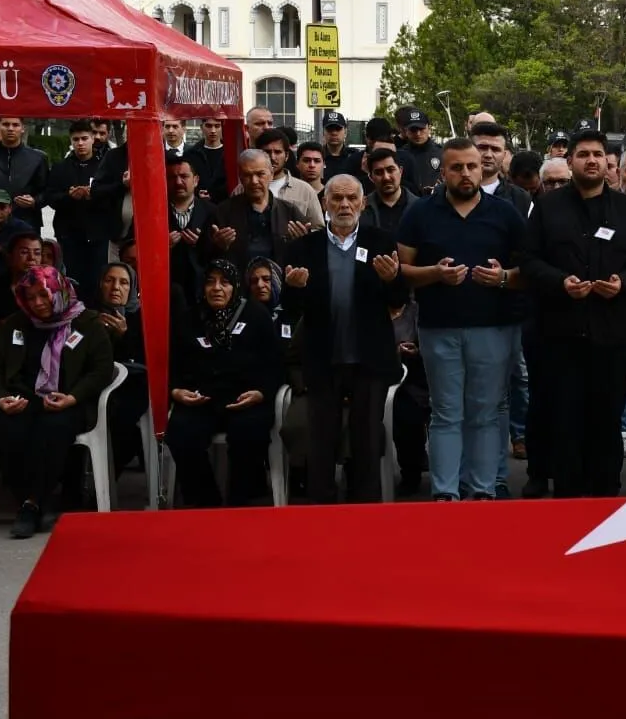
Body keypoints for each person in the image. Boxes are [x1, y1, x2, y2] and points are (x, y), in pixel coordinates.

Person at [523, 129, 626, 498]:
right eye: (583, 154)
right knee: (564, 420)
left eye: (598, 154)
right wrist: (559, 282)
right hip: (560, 333)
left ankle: (605, 495)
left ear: (608, 164)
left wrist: (623, 283)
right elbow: (529, 262)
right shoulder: (548, 207)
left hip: (612, 334)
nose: (592, 160)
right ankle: (566, 495)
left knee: (605, 421)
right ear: (571, 162)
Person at [397, 139, 527, 501]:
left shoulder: (504, 213)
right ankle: (445, 493)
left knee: (485, 413)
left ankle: (483, 490)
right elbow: (401, 269)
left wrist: (504, 277)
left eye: (472, 166)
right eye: (457, 167)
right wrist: (434, 274)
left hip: (494, 327)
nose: (466, 173)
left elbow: (530, 269)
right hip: (439, 327)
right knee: (446, 412)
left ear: (484, 168)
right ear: (444, 171)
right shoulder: (420, 212)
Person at [281, 175, 410, 504]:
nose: (344, 205)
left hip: (369, 358)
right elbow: (291, 309)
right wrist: (294, 289)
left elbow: (397, 300)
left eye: (351, 198)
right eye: (336, 198)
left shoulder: (381, 241)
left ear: (362, 203)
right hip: (323, 357)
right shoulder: (303, 247)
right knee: (320, 440)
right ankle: (321, 511)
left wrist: (391, 279)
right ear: (324, 203)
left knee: (366, 440)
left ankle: (366, 513)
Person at [0, 264, 112, 536]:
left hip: (68, 400)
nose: (38, 303)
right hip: (23, 398)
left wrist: (73, 397)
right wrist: (1, 398)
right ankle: (34, 501)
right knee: (6, 430)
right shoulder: (15, 324)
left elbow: (102, 369)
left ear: (59, 292)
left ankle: (30, 505)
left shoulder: (88, 323)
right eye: (30, 298)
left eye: (44, 295)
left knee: (52, 429)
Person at [166, 260, 284, 507]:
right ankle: (206, 503)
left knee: (249, 433)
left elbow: (274, 365)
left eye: (225, 282)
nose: (217, 288)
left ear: (236, 286)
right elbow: (173, 365)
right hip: (201, 397)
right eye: (210, 282)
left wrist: (262, 393)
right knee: (181, 433)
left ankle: (242, 503)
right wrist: (176, 391)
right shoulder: (189, 318)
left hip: (246, 397)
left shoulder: (256, 316)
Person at [94, 261, 148, 482]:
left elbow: (144, 361)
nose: (116, 287)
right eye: (110, 280)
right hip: (94, 386)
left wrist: (124, 337)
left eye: (124, 282)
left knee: (121, 423)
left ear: (132, 288)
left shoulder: (141, 319)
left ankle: (105, 486)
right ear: (101, 285)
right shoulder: (87, 316)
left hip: (132, 388)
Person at [207, 150, 300, 270]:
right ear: (240, 176)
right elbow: (204, 258)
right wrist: (218, 246)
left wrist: (300, 242)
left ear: (271, 174)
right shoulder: (223, 212)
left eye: (260, 174)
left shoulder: (289, 211)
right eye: (247, 175)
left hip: (279, 282)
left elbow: (305, 256)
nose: (254, 181)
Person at [43, 120, 108, 291]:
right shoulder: (60, 167)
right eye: (76, 139)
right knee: (71, 280)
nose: (80, 143)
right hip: (68, 234)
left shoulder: (104, 166)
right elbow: (50, 196)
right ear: (71, 141)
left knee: (96, 280)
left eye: (84, 138)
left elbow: (112, 196)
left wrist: (92, 194)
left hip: (98, 234)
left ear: (93, 138)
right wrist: (69, 196)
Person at [0, 117, 47, 229]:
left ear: (23, 128)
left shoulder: (38, 158)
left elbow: (47, 190)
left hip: (27, 222)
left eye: (15, 125)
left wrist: (35, 201)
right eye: (6, 124)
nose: (10, 129)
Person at [166, 153, 216, 308]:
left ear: (195, 180)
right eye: (172, 177)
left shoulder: (212, 211)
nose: (178, 182)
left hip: (201, 291)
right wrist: (162, 246)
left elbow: (219, 253)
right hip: (166, 289)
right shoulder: (154, 212)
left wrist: (201, 243)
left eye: (184, 176)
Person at [257, 130, 324, 227]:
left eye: (278, 152)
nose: (272, 157)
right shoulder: (244, 187)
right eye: (267, 152)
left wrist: (304, 235)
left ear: (287, 156)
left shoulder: (305, 190)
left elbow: (318, 228)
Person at [360, 148, 418, 233]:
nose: (386, 177)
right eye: (379, 172)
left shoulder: (420, 208)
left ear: (400, 171)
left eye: (390, 170)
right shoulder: (361, 209)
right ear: (371, 177)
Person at [397, 107, 446, 191]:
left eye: (421, 129)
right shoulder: (400, 155)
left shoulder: (442, 153)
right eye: (413, 130)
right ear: (406, 131)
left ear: (429, 128)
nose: (418, 134)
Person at [186, 118, 229, 201]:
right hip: (198, 204)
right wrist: (197, 192)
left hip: (224, 205)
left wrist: (215, 194)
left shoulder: (229, 153)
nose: (213, 130)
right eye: (209, 126)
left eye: (217, 126)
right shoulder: (191, 154)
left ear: (222, 127)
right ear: (202, 127)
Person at [319, 111, 364, 182]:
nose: (334, 133)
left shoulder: (355, 156)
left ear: (345, 132)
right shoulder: (317, 157)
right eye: (330, 129)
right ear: (323, 132)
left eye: (338, 129)